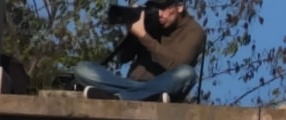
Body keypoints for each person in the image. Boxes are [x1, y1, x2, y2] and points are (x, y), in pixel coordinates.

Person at [73, 1, 204, 103]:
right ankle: (146, 96)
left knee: (187, 74)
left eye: (164, 8)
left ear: (179, 7)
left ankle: (119, 97)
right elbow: (123, 58)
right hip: (133, 83)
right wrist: (133, 29)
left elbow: (177, 64)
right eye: (157, 8)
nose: (160, 14)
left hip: (163, 85)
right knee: (82, 69)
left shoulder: (194, 31)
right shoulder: (152, 20)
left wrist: (143, 36)